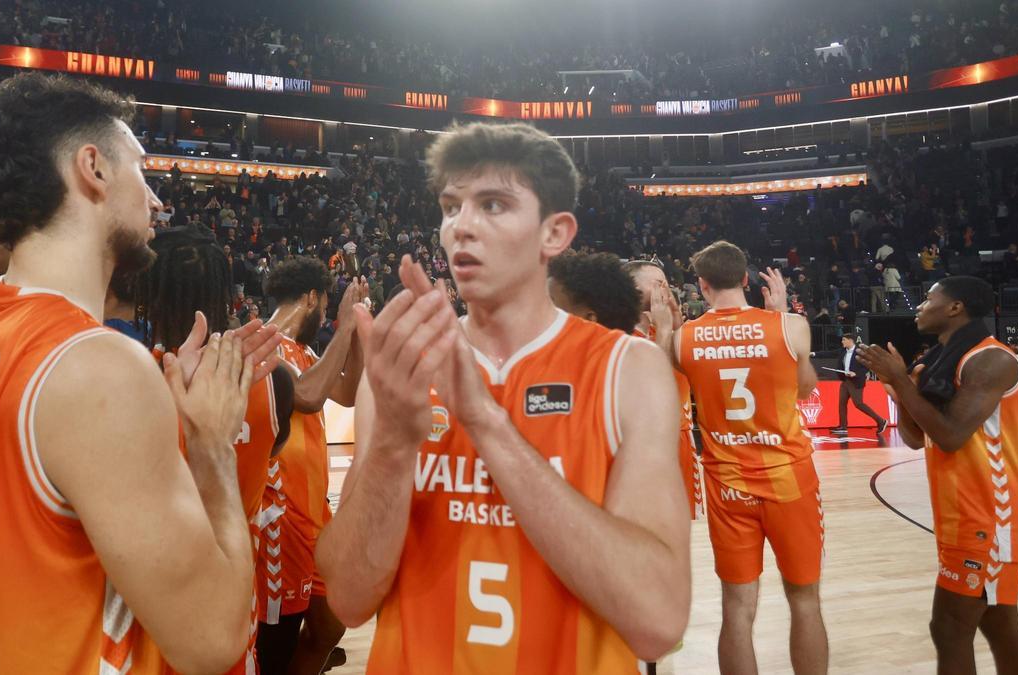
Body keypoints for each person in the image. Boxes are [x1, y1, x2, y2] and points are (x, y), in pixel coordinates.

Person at [0, 72, 281, 674]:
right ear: (93, 169)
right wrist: (211, 444)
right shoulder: (94, 366)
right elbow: (213, 641)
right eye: (142, 171)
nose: (157, 199)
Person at [317, 121, 691, 673]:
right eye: (450, 207)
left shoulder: (628, 369)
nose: (461, 226)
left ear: (554, 234)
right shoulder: (401, 371)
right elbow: (348, 598)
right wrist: (395, 444)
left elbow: (658, 621)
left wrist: (485, 421)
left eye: (492, 205)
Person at [653, 240, 827, 675]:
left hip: (728, 485)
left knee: (736, 608)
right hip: (789, 479)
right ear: (747, 279)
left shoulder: (684, 339)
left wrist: (661, 333)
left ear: (701, 284)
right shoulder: (790, 326)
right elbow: (805, 389)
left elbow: (657, 387)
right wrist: (780, 310)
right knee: (804, 600)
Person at [135, 225, 297, 675]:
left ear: (151, 297)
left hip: (156, 591)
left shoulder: (138, 378)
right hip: (233, 580)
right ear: (227, 294)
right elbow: (270, 454)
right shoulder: (274, 380)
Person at [857, 276, 1018, 674]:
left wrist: (900, 379)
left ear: (955, 308)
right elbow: (917, 439)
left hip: (989, 516)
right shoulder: (939, 359)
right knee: (998, 621)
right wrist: (899, 392)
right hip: (959, 515)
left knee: (949, 628)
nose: (919, 306)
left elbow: (949, 437)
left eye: (928, 298)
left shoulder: (990, 360)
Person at [256, 257, 366, 675]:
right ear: (312, 298)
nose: (325, 315)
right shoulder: (264, 341)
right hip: (281, 517)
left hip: (315, 515)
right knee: (278, 643)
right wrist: (344, 326)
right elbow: (306, 395)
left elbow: (350, 391)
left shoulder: (304, 351)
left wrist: (352, 329)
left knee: (330, 623)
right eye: (326, 306)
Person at [624, 258, 706, 520]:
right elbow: (651, 387)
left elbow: (686, 370)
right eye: (659, 284)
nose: (667, 289)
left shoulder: (666, 330)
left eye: (667, 283)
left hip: (680, 438)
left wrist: (675, 324)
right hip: (644, 445)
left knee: (679, 529)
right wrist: (664, 330)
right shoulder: (620, 336)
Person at [822, 334, 887, 435]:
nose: (842, 342)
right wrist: (813, 354)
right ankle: (843, 426)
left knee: (859, 404)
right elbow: (829, 353)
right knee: (842, 403)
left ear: (850, 340)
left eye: (844, 340)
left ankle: (881, 421)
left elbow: (867, 366)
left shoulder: (859, 351)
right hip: (845, 381)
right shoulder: (842, 351)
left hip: (856, 381)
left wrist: (856, 373)